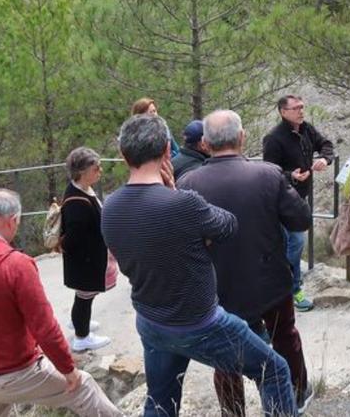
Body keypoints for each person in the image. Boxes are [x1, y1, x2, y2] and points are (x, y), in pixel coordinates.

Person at [101, 114, 296, 417]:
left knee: (160, 399)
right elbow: (228, 226)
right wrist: (177, 195)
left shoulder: (110, 207)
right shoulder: (182, 204)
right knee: (274, 371)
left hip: (151, 321)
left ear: (124, 155)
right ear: (168, 150)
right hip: (202, 323)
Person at [0, 189, 121, 417]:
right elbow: (44, 328)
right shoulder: (16, 265)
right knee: (83, 387)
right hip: (13, 374)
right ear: (13, 221)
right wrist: (68, 370)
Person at [180, 110, 315, 416]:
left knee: (225, 357)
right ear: (242, 138)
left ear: (205, 143)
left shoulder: (189, 182)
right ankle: (294, 396)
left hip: (217, 287)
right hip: (270, 281)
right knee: (284, 338)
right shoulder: (267, 174)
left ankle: (233, 411)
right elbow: (301, 219)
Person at [262, 94, 335, 312]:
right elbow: (269, 170)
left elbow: (326, 144)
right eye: (295, 108)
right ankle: (290, 288)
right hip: (282, 200)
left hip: (299, 197)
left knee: (292, 243)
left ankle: (282, 286)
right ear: (283, 112)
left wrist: (324, 158)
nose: (301, 111)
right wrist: (291, 175)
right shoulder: (274, 138)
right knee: (295, 242)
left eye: (302, 107)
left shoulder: (306, 129)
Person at [62, 147, 112, 352]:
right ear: (82, 172)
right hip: (85, 260)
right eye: (96, 168)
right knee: (85, 296)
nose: (100, 171)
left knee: (84, 295)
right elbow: (74, 237)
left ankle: (79, 322)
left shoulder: (80, 189)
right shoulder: (77, 202)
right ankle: (82, 336)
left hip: (86, 258)